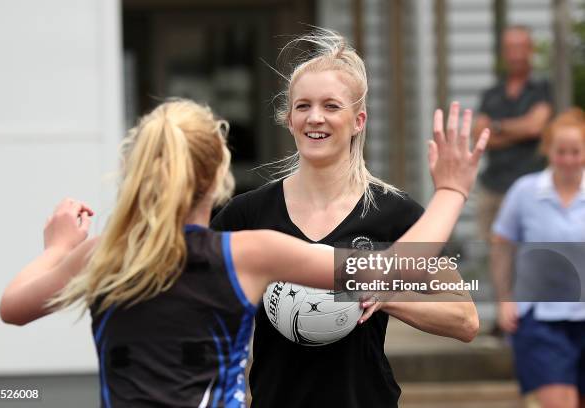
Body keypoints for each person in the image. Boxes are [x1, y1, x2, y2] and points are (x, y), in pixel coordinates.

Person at [0, 98, 487, 407]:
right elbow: (391, 268)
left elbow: (14, 308)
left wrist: (58, 249)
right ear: (217, 178)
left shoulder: (105, 257)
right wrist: (451, 190)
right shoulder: (248, 253)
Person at [210, 30, 482, 408]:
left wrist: (385, 297)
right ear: (288, 119)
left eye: (331, 106)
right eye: (302, 106)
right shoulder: (248, 214)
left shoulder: (394, 214)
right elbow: (194, 304)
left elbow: (464, 319)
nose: (315, 117)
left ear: (358, 120)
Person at [491, 108, 585, 408]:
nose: (568, 159)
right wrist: (504, 298)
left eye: (576, 152)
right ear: (547, 150)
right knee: (562, 402)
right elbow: (501, 244)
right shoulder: (525, 192)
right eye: (561, 152)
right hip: (540, 320)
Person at [473, 25, 552, 241]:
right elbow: (480, 135)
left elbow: (535, 126)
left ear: (530, 50)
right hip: (493, 188)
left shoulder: (543, 89)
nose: (516, 54)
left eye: (520, 47)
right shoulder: (492, 93)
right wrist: (520, 129)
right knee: (493, 260)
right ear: (504, 53)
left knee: (530, 257)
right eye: (510, 48)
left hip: (531, 188)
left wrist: (496, 127)